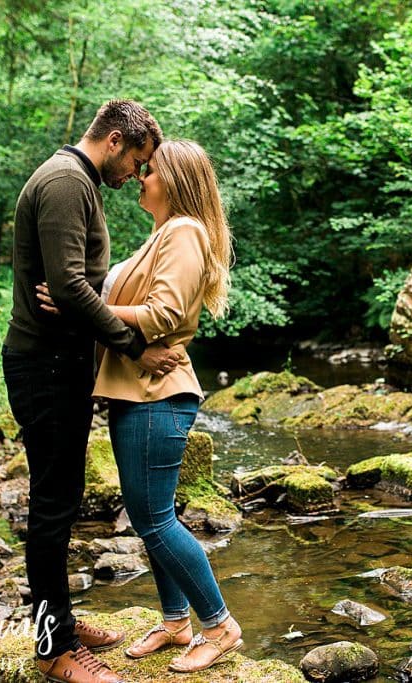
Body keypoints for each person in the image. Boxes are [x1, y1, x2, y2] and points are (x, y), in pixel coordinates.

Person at [36, 139, 242, 674]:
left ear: (173, 180)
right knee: (155, 517)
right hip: (138, 393)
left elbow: (164, 312)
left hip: (158, 395)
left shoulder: (184, 232)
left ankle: (219, 626)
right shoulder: (162, 234)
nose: (139, 177)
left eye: (149, 170)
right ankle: (176, 622)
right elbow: (113, 294)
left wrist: (83, 305)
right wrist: (77, 296)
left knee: (153, 522)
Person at [3, 99, 180, 683]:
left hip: (61, 364)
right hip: (44, 366)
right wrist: (135, 345)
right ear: (113, 141)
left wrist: (89, 302)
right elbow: (69, 287)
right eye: (137, 160)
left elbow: (78, 289)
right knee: (53, 506)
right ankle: (54, 652)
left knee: (64, 498)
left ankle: (63, 624)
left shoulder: (78, 182)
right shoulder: (63, 182)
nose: (136, 174)